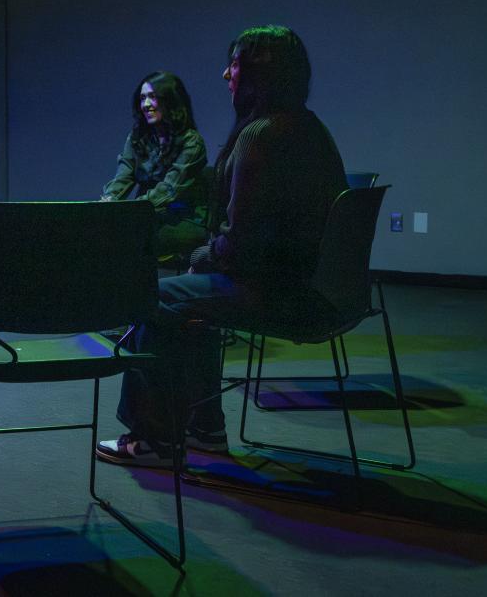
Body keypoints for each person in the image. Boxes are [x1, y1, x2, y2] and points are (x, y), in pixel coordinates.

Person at [96, 25, 346, 466]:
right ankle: (204, 429)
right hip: (318, 290)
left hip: (281, 294)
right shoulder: (310, 128)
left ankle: (153, 439)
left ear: (258, 73)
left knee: (154, 298)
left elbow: (242, 243)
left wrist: (201, 259)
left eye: (234, 64)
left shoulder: (260, 135)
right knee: (193, 300)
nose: (225, 74)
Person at [101, 71, 208, 262]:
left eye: (152, 97)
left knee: (129, 238)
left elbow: (169, 190)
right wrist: (107, 202)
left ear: (169, 100)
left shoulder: (191, 142)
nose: (146, 105)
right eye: (142, 98)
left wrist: (130, 210)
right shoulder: (138, 138)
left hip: (183, 217)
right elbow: (123, 177)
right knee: (103, 233)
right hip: (146, 215)